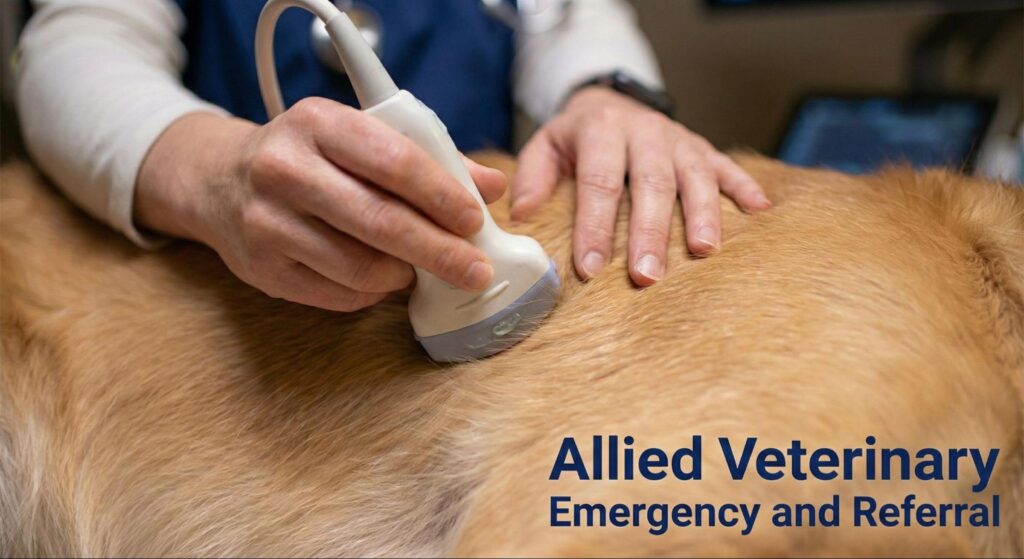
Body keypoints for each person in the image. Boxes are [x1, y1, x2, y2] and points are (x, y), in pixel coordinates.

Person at [16, 0, 771, 313]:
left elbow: (574, 19)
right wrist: (215, 173)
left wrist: (608, 95)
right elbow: (75, 47)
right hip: (219, 318)